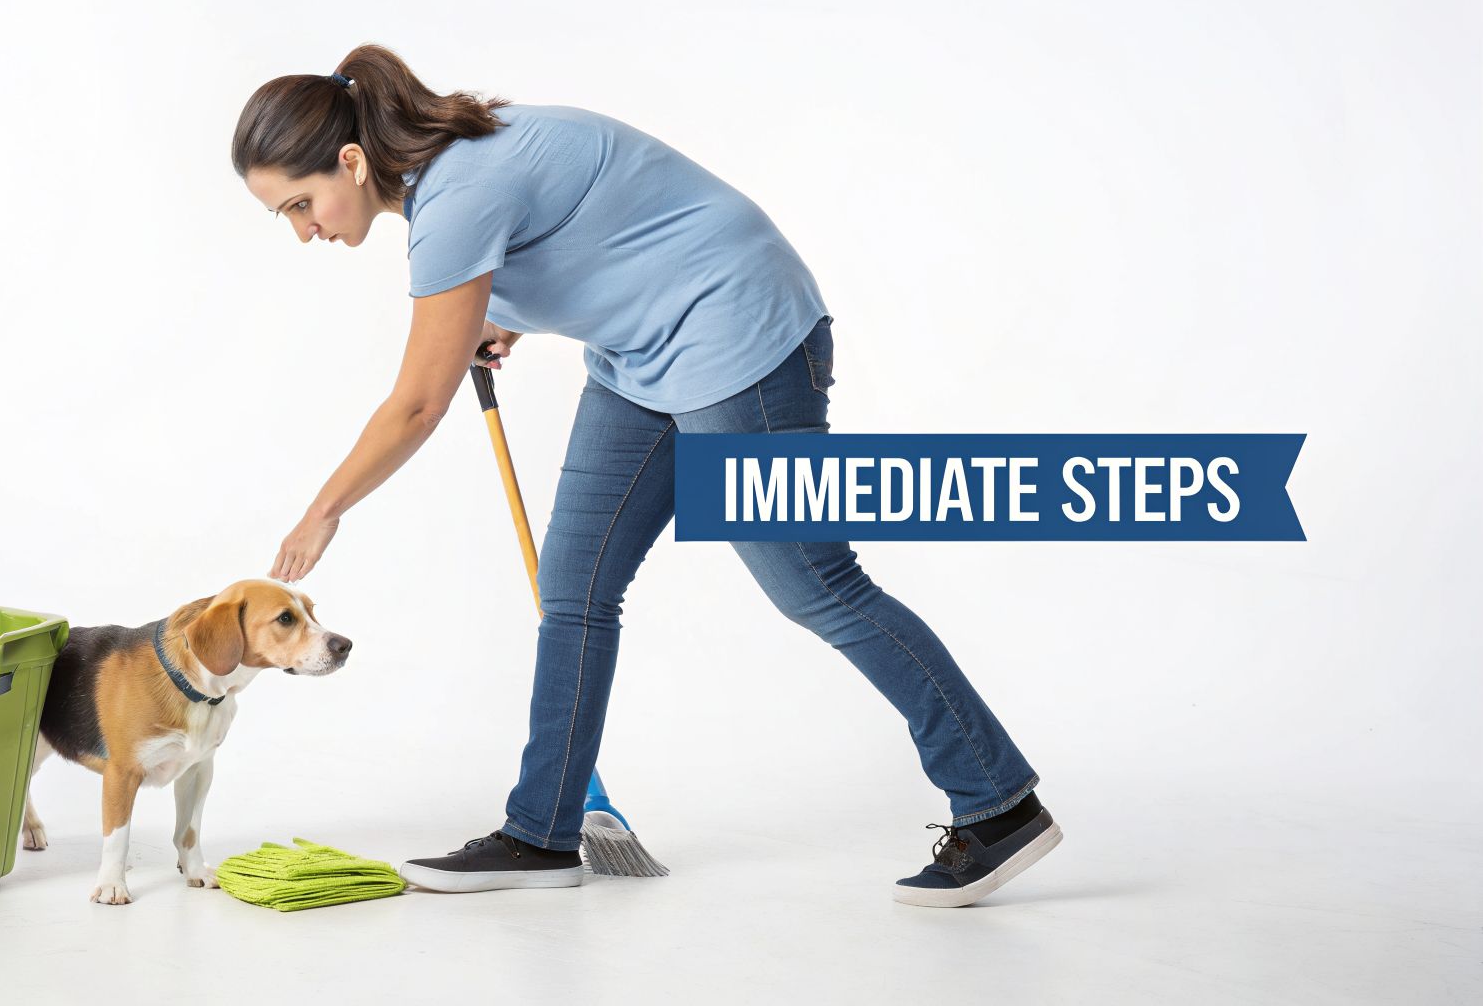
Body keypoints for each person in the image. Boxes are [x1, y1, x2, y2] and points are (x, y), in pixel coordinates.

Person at [232, 44, 1060, 907]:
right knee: (575, 584)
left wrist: (324, 509)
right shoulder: (447, 179)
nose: (304, 230)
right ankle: (542, 831)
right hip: (644, 358)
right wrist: (505, 321)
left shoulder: (459, 189)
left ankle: (999, 804)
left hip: (743, 340)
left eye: (301, 202)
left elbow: (416, 405)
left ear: (352, 162)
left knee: (815, 583)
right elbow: (594, 241)